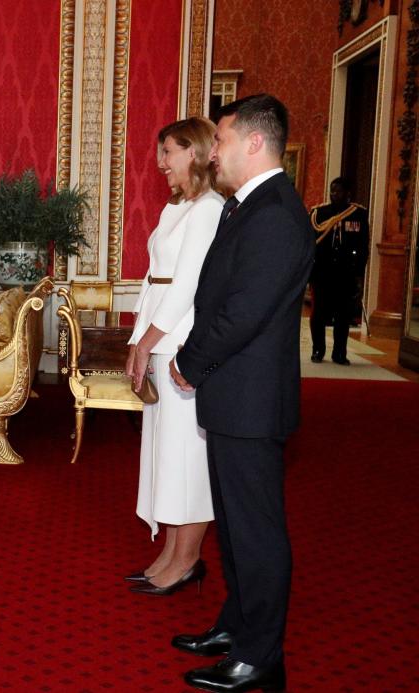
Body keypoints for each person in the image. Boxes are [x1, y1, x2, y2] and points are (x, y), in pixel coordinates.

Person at [169, 94, 314, 692]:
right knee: (231, 525)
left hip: (251, 398)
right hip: (234, 395)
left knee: (256, 529)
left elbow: (243, 312)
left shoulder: (275, 212)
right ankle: (237, 623)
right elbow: (218, 296)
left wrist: (190, 361)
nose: (215, 154)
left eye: (222, 142)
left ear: (255, 143)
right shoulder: (246, 207)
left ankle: (261, 655)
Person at [124, 117, 222, 596]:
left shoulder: (209, 209)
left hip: (182, 340)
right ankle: (170, 554)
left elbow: (186, 287)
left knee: (188, 456)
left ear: (195, 152)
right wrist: (137, 339)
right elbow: (152, 278)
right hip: (159, 335)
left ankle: (187, 561)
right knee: (167, 452)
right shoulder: (177, 207)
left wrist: (148, 341)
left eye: (169, 151)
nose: (160, 162)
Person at [309, 177, 370, 365]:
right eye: (332, 191)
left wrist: (359, 273)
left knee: (343, 316)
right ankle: (318, 350)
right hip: (322, 272)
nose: (334, 194)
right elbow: (312, 244)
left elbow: (362, 247)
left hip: (345, 273)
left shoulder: (358, 214)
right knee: (318, 314)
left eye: (338, 191)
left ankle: (339, 353)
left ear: (348, 193)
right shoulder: (319, 213)